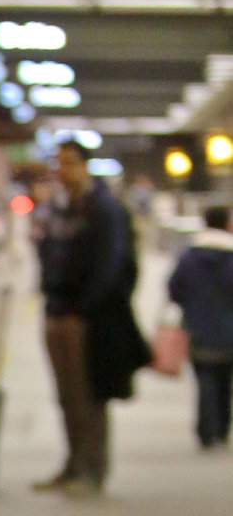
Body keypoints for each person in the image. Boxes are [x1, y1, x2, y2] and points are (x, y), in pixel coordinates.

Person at [35, 139, 146, 496]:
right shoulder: (60, 208)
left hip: (86, 317)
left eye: (69, 163)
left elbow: (111, 265)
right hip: (57, 310)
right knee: (67, 396)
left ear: (85, 166)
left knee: (88, 395)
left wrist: (86, 308)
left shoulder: (104, 209)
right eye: (58, 163)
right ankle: (73, 464)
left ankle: (92, 469)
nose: (61, 171)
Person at [167, 205, 233, 448]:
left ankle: (206, 429)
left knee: (204, 377)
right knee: (225, 379)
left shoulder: (190, 256)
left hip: (196, 326)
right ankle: (223, 427)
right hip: (229, 328)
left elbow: (174, 288)